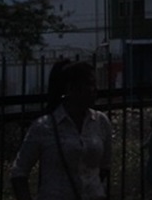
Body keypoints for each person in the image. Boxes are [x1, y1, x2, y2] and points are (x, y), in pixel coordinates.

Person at [11, 59, 112, 200]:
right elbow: (19, 171)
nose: (94, 90)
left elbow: (105, 166)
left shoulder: (101, 122)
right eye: (89, 84)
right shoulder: (44, 126)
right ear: (71, 88)